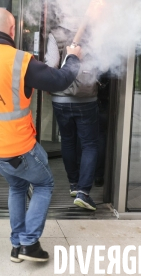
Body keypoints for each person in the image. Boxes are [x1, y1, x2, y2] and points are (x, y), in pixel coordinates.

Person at [0, 8, 81, 263]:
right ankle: (29, 243)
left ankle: (17, 245)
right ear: (12, 30)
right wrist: (72, 57)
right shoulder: (20, 61)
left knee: (17, 185)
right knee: (44, 184)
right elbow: (60, 80)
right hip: (17, 148)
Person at [45, 22, 100, 211]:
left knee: (67, 141)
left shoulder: (56, 35)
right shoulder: (93, 33)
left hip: (60, 99)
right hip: (87, 98)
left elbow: (51, 65)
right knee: (89, 145)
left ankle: (74, 185)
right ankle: (83, 192)